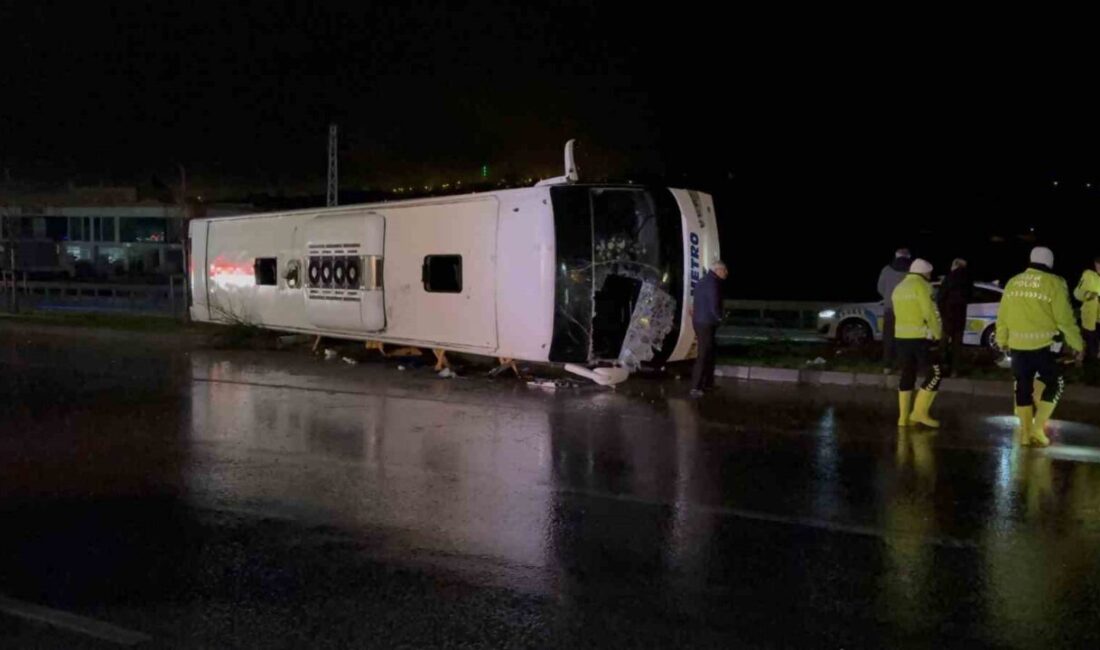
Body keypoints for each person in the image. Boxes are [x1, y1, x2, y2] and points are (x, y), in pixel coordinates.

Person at [996, 247, 1084, 447]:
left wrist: (1002, 340)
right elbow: (1065, 320)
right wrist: (1078, 344)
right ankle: (1037, 429)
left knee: (1023, 387)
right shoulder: (1053, 283)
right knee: (1055, 383)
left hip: (1017, 347)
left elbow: (1002, 316)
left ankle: (1025, 436)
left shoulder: (1013, 282)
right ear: (1050, 263)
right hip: (1042, 347)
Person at [892, 258, 943, 428]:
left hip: (901, 338)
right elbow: (930, 312)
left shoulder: (898, 288)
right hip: (921, 338)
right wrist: (937, 333)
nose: (930, 275)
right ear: (924, 272)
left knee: (907, 374)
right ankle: (919, 413)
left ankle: (902, 418)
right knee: (935, 373)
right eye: (929, 273)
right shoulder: (923, 286)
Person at [690, 260, 728, 397]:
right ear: (718, 270)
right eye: (724, 270)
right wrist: (720, 318)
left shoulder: (702, 281)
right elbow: (713, 305)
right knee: (703, 354)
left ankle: (707, 384)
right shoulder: (713, 283)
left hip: (699, 321)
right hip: (706, 323)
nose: (726, 273)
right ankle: (695, 387)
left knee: (709, 352)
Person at [878, 248, 912, 372]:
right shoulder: (912, 271)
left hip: (890, 309)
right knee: (904, 338)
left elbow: (880, 288)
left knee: (888, 338)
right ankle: (902, 365)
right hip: (907, 310)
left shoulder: (886, 270)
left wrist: (888, 297)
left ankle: (887, 366)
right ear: (908, 256)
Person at [938, 258, 973, 376]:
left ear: (955, 265)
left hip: (948, 316)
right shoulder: (968, 279)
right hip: (960, 316)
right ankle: (955, 370)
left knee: (943, 343)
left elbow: (940, 297)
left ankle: (942, 367)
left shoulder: (949, 278)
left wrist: (943, 312)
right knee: (957, 345)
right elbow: (970, 296)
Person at [1073, 256, 1100, 379]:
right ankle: (1089, 377)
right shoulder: (1088, 276)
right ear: (1095, 264)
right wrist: (1088, 295)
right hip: (1090, 322)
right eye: (1098, 264)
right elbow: (1077, 294)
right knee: (1091, 351)